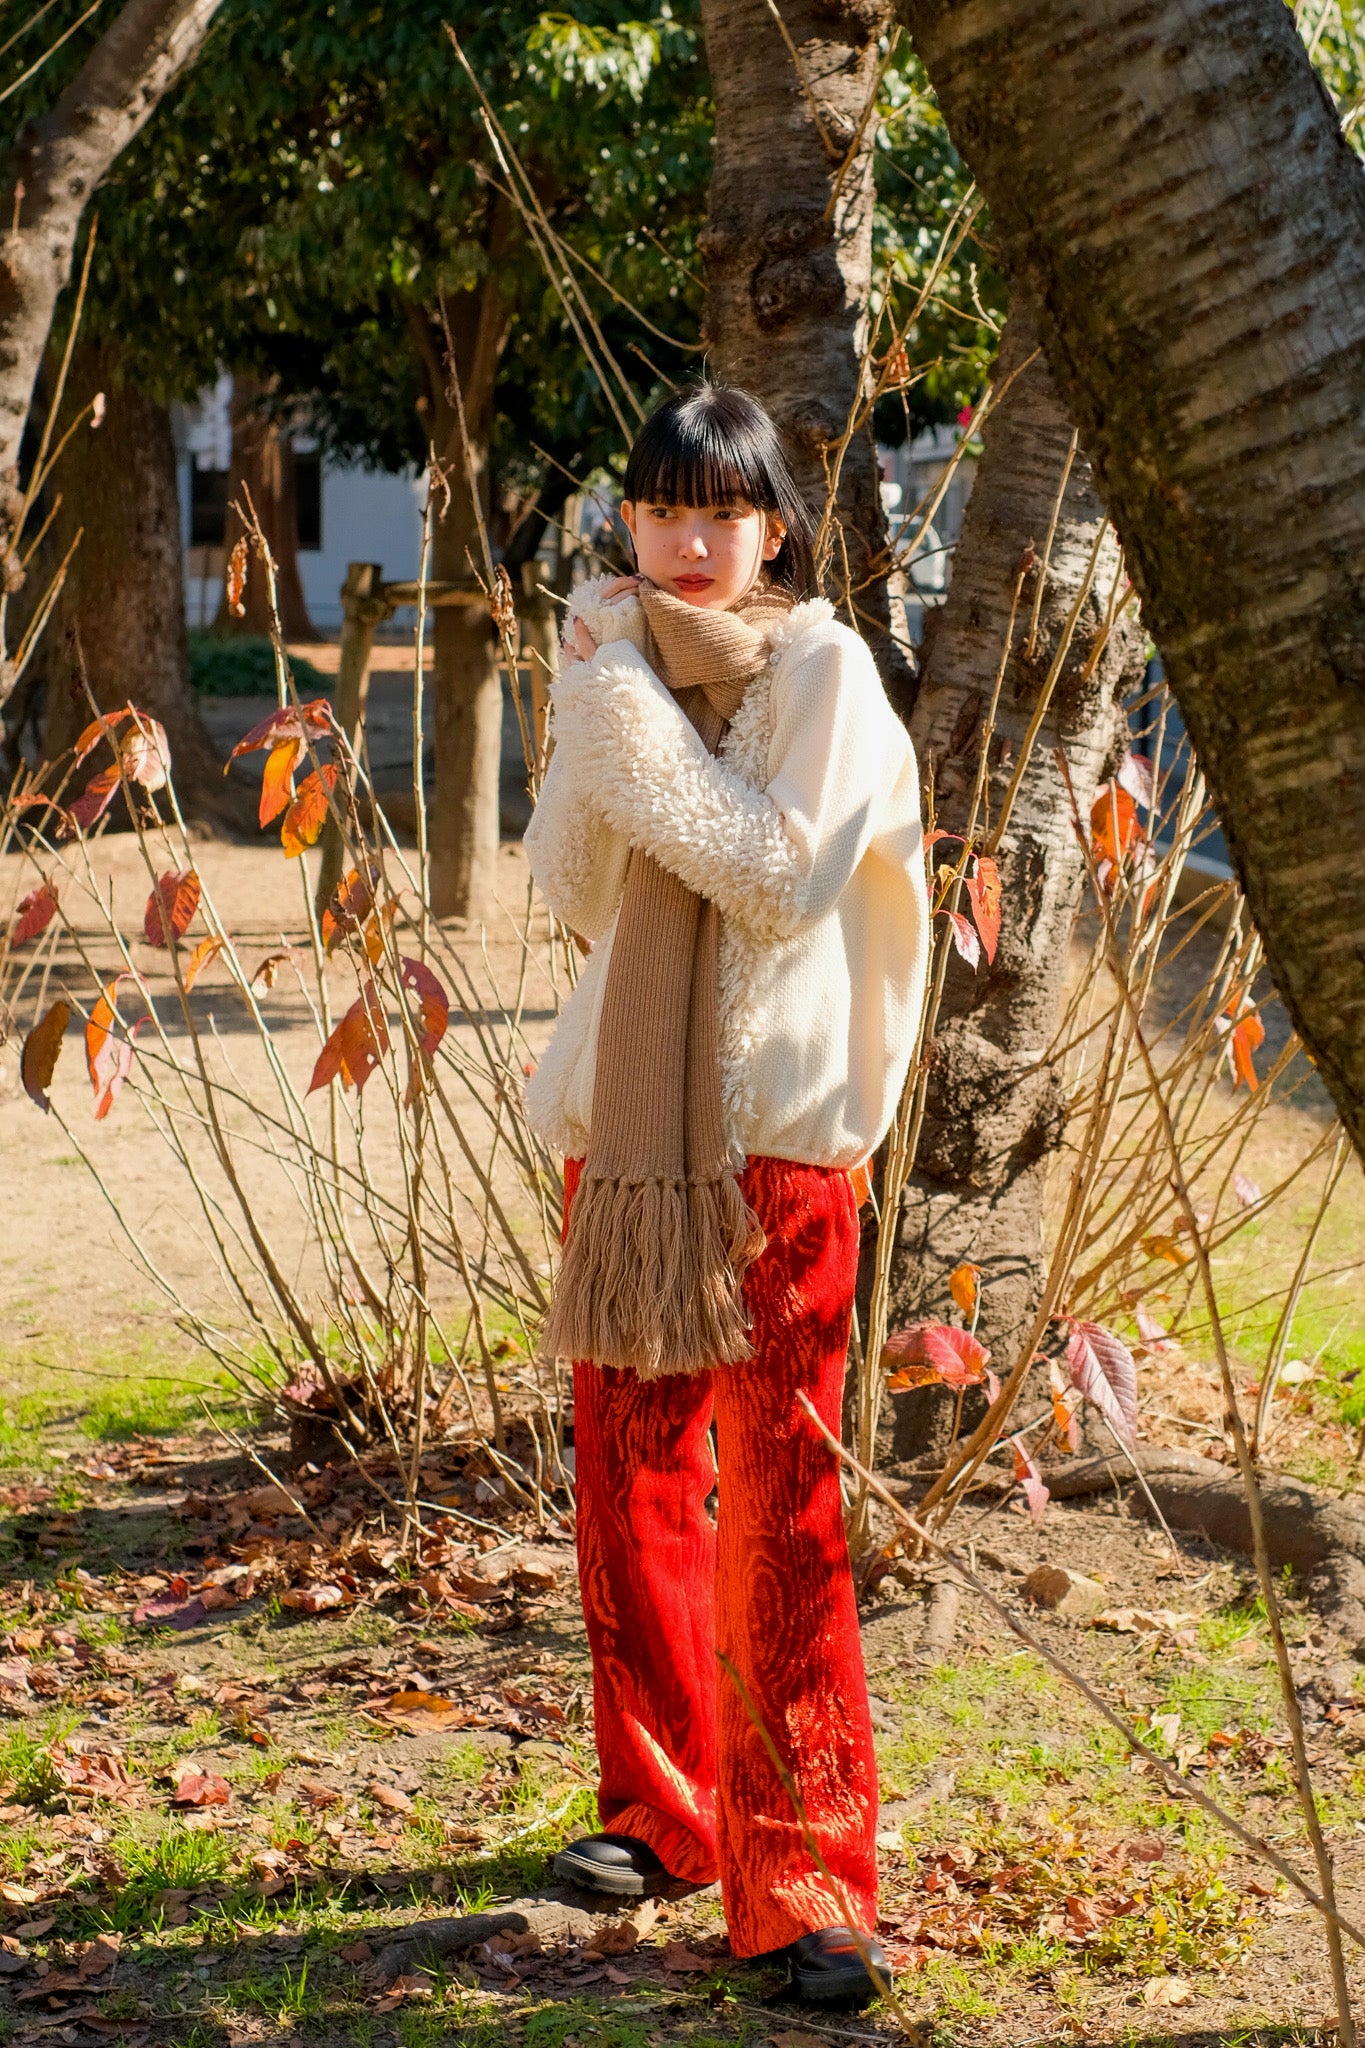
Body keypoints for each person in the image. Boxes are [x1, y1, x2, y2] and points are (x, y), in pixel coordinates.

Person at [522, 384, 929, 2007]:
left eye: (722, 513)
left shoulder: (824, 674)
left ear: (774, 529)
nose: (689, 544)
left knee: (780, 1516)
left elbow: (774, 877)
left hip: (773, 1146)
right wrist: (594, 701)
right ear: (625, 523)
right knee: (627, 1484)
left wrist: (619, 704)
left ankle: (805, 1880)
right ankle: (662, 1811)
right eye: (661, 512)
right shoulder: (620, 668)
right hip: (629, 1142)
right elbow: (570, 888)